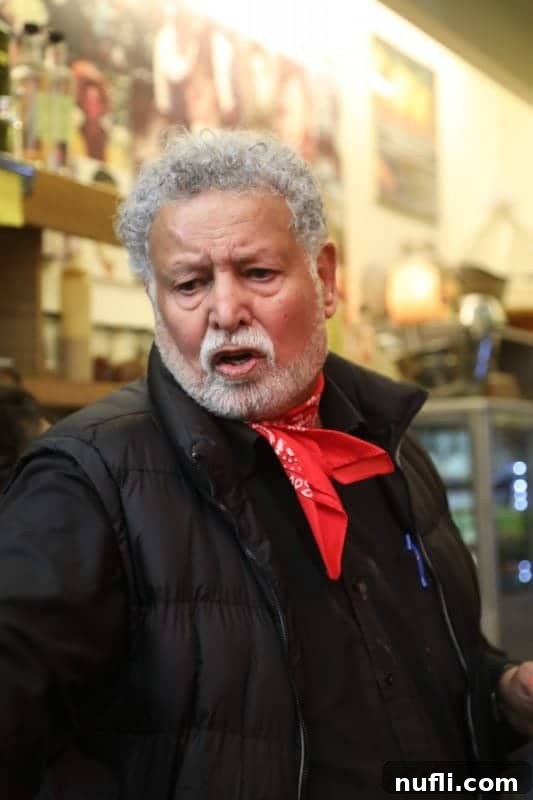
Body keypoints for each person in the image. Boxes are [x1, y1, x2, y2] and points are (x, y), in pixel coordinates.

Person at [0, 129, 532, 800]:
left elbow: (422, 670)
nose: (225, 312)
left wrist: (500, 694)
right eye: (189, 284)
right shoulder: (85, 483)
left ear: (325, 278)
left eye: (258, 274)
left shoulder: (387, 446)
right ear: (155, 301)